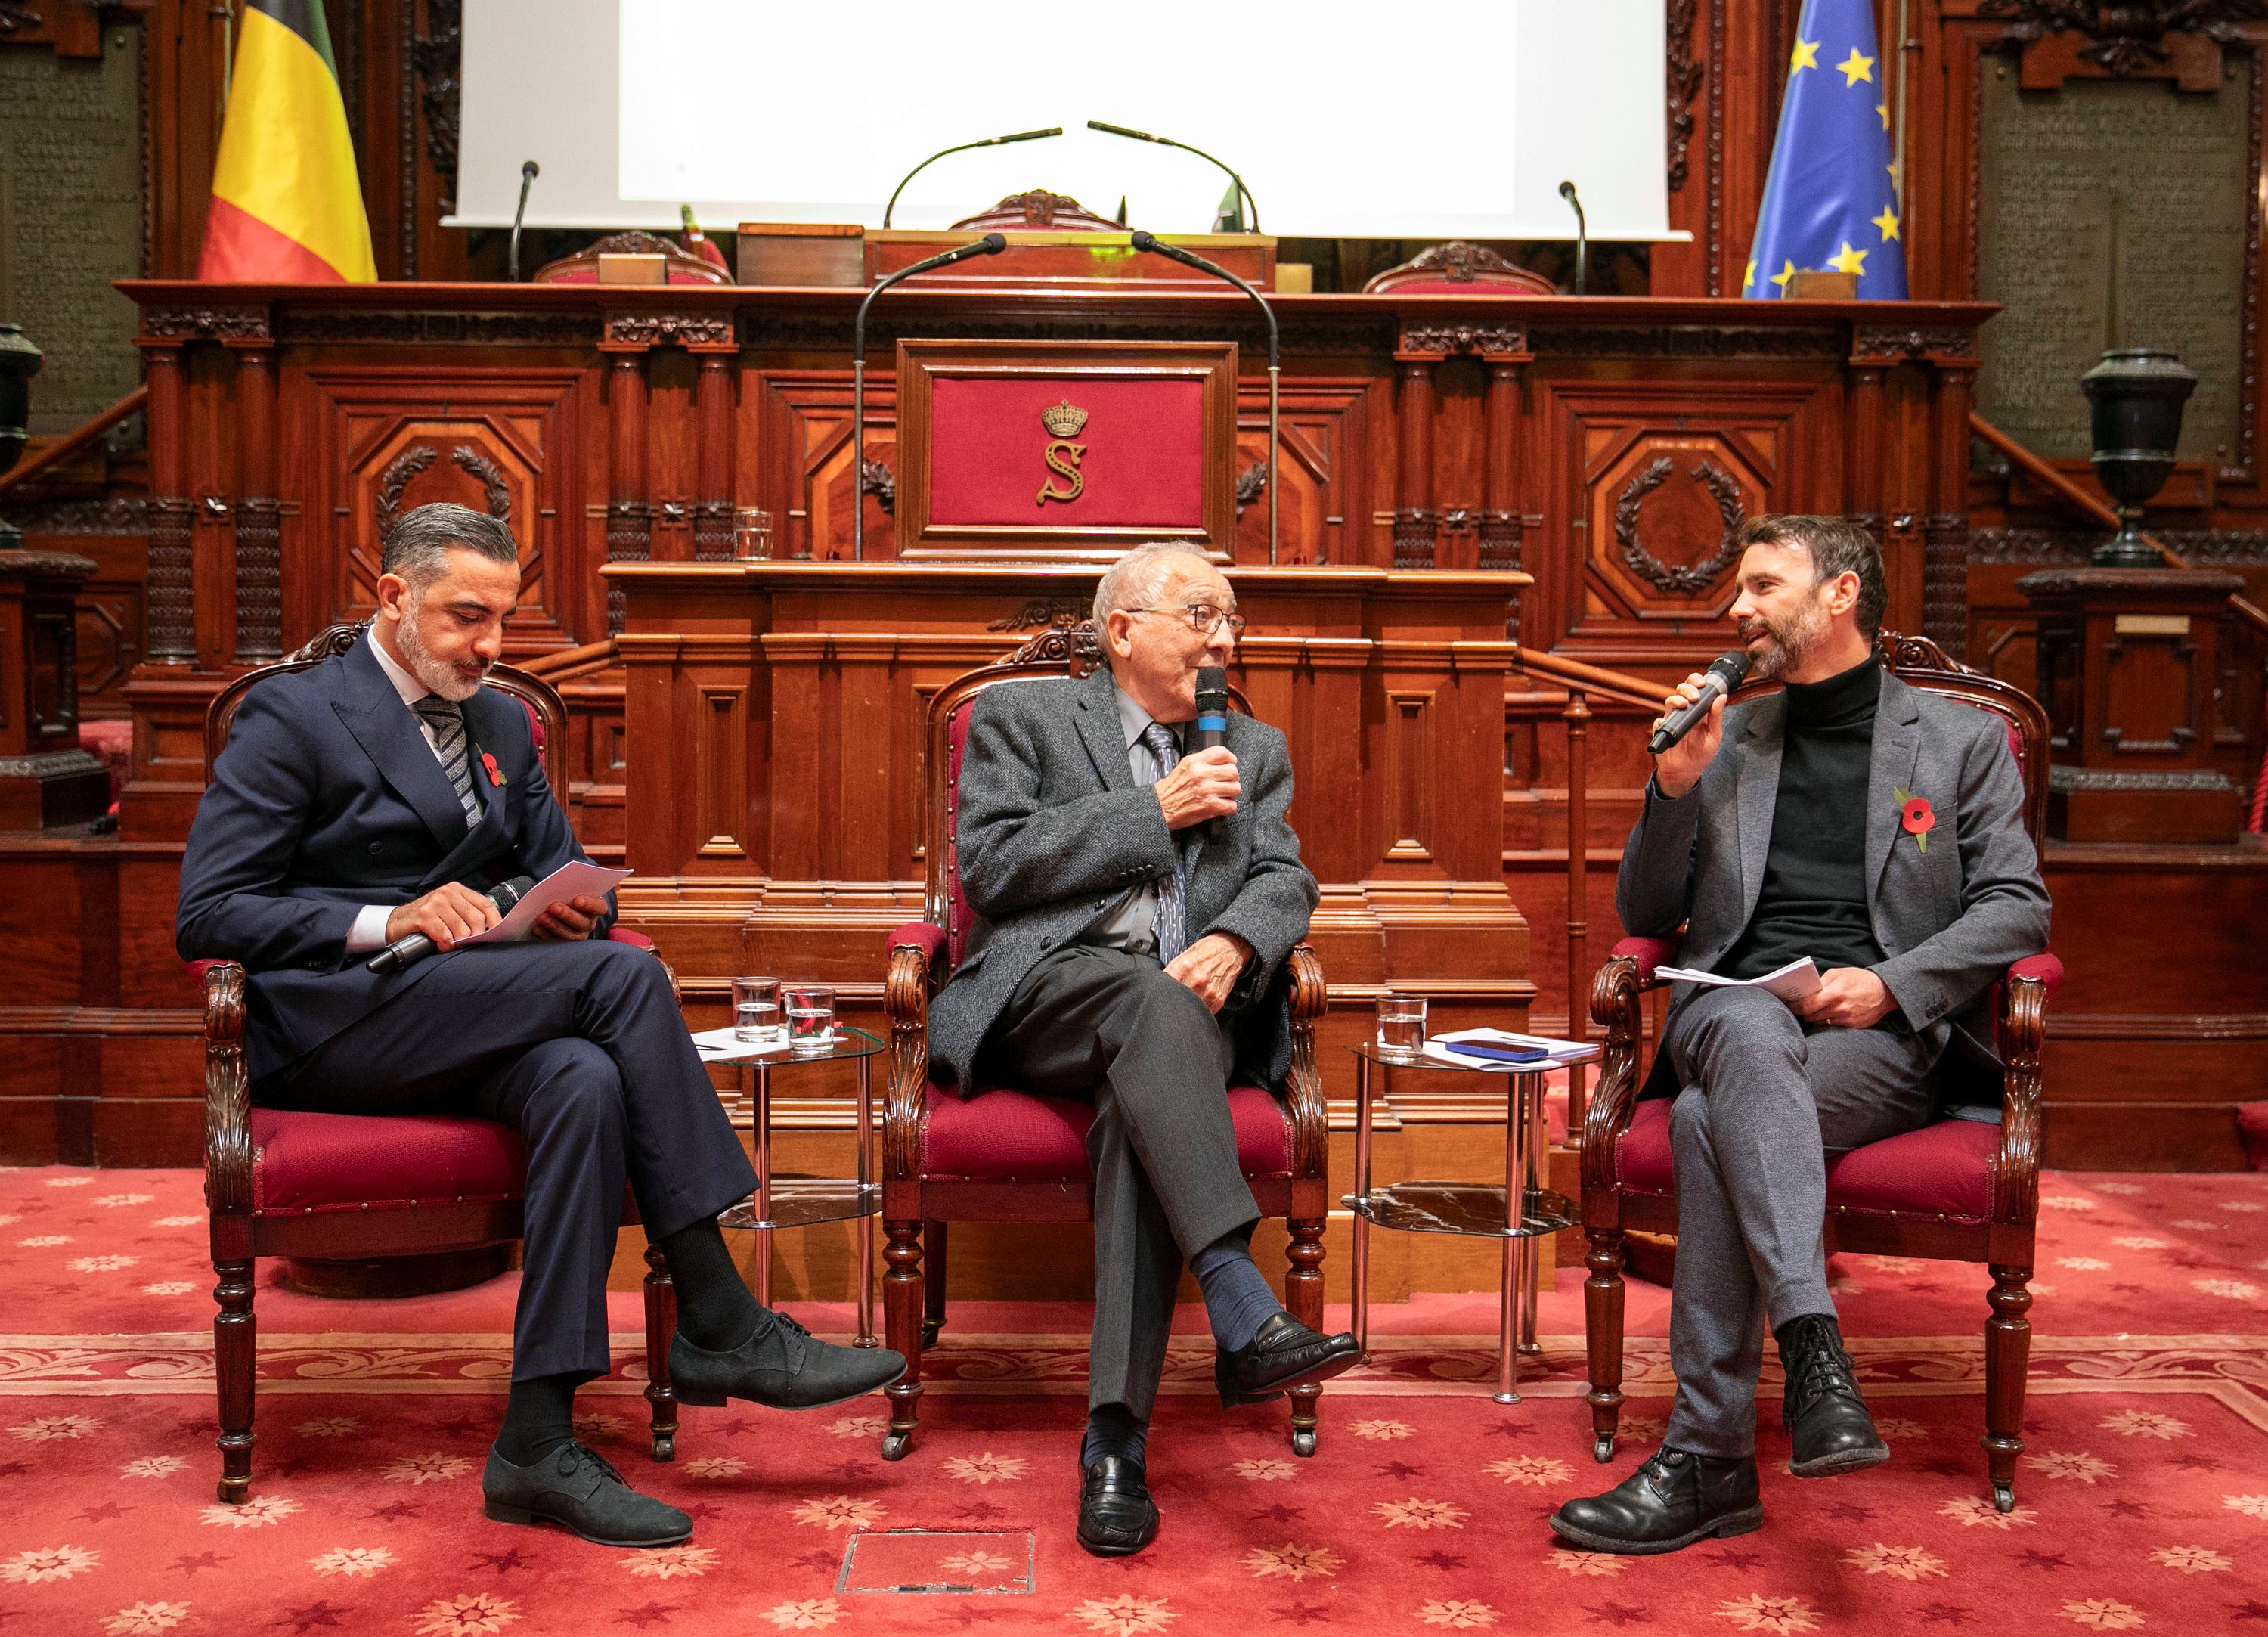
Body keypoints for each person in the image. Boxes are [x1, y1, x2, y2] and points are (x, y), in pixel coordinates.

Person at [175, 503, 904, 1549]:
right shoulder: (295, 717)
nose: (491, 646)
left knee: (582, 1080)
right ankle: (721, 1314)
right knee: (617, 986)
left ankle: (535, 1437)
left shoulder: (504, 721)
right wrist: (395, 914)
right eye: (466, 616)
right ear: (392, 596)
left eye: (504, 619)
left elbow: (563, 867)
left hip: (476, 1008)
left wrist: (569, 904)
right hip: (338, 1023)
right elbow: (207, 913)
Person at [1549, 515, 2050, 1555]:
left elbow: (2016, 908)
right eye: (1737, 588)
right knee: (1733, 1015)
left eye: (1764, 585)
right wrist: (1674, 786)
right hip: (1733, 1008)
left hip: (1876, 1040)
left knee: (1701, 1124)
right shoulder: (1730, 736)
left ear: (1841, 595)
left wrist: (1891, 982)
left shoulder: (1957, 744)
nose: (1739, 609)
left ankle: (1712, 1461)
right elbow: (1645, 904)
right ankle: (1813, 1345)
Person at [929, 539, 1358, 1558]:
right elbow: (989, 867)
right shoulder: (1025, 718)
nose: (1226, 637)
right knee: (1142, 1004)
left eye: (1232, 619)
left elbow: (1286, 878)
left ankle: (1114, 1440)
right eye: (1204, 616)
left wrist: (1235, 938)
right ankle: (1239, 1297)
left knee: (1146, 1081)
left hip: (1181, 1021)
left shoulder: (1252, 747)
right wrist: (1147, 813)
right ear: (1124, 632)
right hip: (1048, 993)